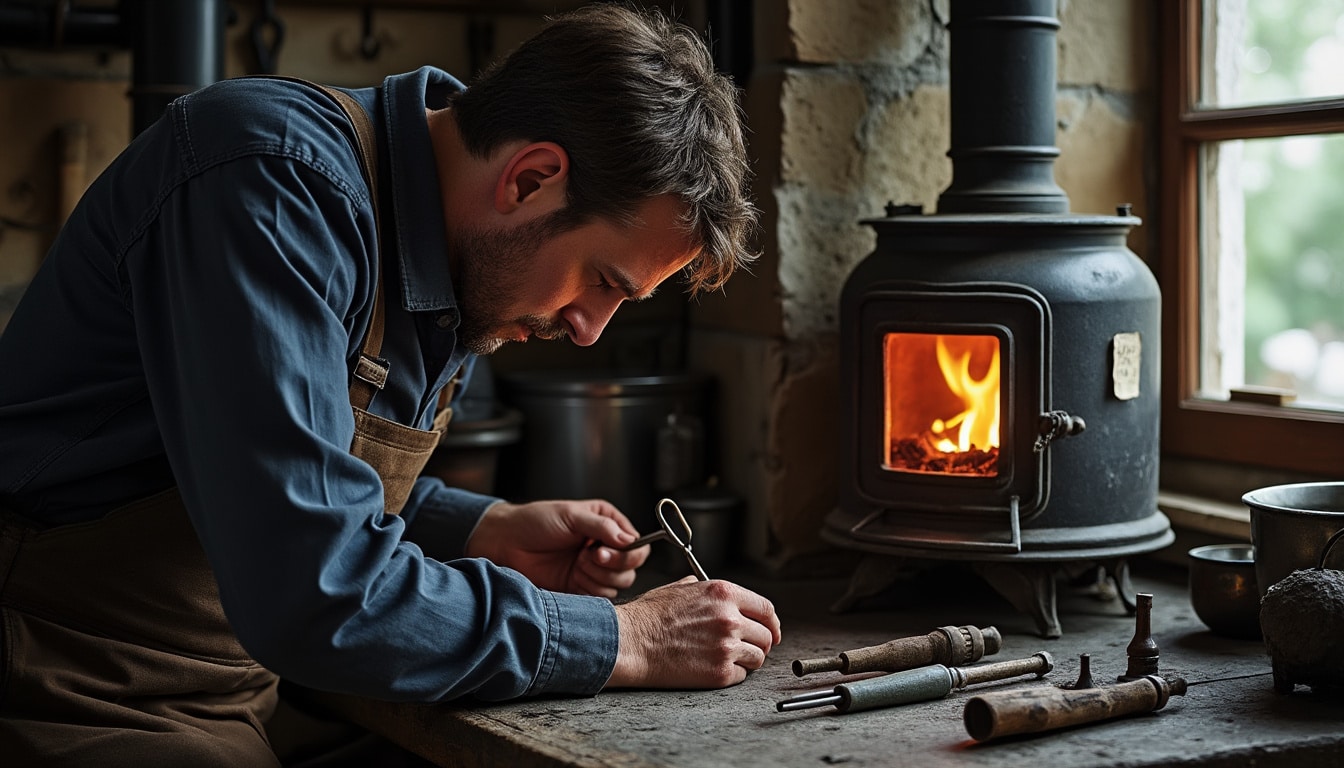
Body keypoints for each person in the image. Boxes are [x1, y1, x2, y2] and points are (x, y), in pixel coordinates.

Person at [0, 4, 781, 765]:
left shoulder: (455, 251)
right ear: (531, 179)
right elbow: (314, 592)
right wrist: (623, 639)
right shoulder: (270, 186)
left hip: (241, 687)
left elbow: (274, 471)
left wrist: (480, 529)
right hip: (64, 685)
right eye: (601, 281)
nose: (588, 329)